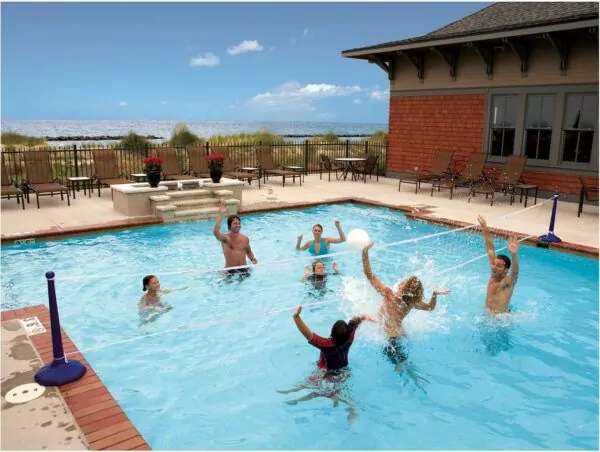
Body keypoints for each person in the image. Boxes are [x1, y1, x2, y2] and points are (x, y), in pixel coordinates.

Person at [361, 242, 449, 384]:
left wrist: (364, 252)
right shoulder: (412, 302)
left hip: (390, 338)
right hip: (401, 334)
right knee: (406, 364)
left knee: (399, 367)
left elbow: (369, 274)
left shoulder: (389, 294)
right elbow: (430, 308)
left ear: (403, 285)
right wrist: (434, 294)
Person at [277, 305, 376, 424]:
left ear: (332, 333)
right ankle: (352, 407)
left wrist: (296, 317)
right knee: (334, 392)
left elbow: (308, 334)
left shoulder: (326, 344)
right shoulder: (349, 338)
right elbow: (357, 319)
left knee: (315, 389)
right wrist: (373, 319)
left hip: (327, 373)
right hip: (344, 372)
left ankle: (295, 396)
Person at [477, 215, 520, 315]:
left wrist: (514, 254)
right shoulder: (494, 274)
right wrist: (484, 228)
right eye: (494, 264)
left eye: (499, 266)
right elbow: (490, 249)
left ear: (506, 269)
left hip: (500, 321)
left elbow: (515, 273)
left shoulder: (506, 283)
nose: (494, 267)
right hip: (488, 314)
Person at [213, 200, 258, 277]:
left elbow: (248, 251)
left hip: (244, 269)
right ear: (229, 226)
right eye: (235, 223)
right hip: (230, 271)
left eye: (239, 223)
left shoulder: (245, 238)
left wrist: (253, 259)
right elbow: (216, 232)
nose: (238, 225)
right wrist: (221, 214)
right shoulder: (226, 239)